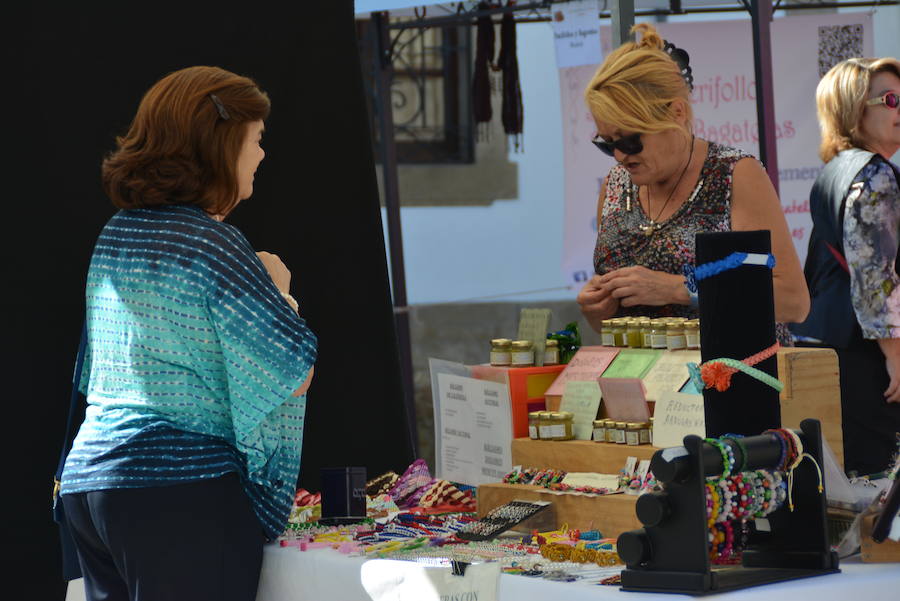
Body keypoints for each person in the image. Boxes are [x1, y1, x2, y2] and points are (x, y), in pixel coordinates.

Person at [59, 66, 317, 601]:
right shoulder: (212, 245)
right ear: (221, 146)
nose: (262, 156)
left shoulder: (118, 234)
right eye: (256, 141)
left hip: (92, 487)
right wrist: (281, 293)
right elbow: (292, 374)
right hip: (176, 489)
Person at [575, 24, 809, 344]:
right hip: (642, 382)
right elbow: (615, 325)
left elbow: (793, 301)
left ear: (676, 113)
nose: (618, 156)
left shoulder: (733, 174)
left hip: (730, 381)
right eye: (607, 143)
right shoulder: (617, 185)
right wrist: (597, 310)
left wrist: (677, 288)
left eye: (630, 141)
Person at [792, 57, 900, 476]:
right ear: (856, 109)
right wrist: (895, 354)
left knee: (846, 480)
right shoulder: (875, 175)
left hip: (826, 343)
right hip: (869, 358)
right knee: (878, 487)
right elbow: (874, 273)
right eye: (890, 100)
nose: (899, 110)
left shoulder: (835, 171)